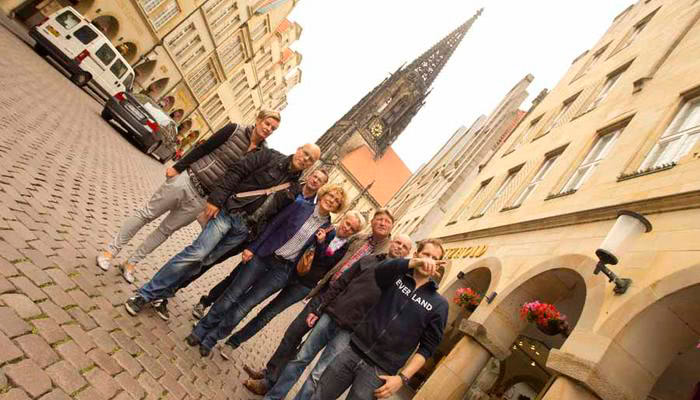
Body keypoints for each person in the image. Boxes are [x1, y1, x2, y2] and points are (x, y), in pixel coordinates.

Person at [123, 143, 321, 319]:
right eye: (305, 153)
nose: (305, 159)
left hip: (244, 231)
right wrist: (216, 200)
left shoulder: (294, 189)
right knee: (196, 254)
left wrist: (252, 242)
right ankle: (145, 294)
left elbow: (273, 218)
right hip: (228, 214)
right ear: (297, 150)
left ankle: (162, 294)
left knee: (202, 264)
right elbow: (236, 172)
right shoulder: (269, 156)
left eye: (310, 159)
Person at [96, 110, 281, 284]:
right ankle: (110, 252)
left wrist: (218, 203)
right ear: (258, 120)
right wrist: (178, 167)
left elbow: (240, 182)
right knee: (147, 214)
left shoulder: (262, 154)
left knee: (165, 231)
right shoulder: (234, 130)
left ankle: (131, 263)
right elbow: (204, 148)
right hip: (187, 180)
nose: (268, 129)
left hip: (204, 199)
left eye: (273, 129)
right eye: (267, 124)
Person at [243, 209, 395, 396]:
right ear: (372, 222)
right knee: (294, 333)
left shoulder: (390, 253)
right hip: (326, 293)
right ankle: (270, 375)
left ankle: (273, 384)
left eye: (386, 221)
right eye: (378, 219)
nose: (381, 223)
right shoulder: (359, 239)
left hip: (346, 307)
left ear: (392, 226)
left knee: (308, 354)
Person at [185, 184, 347, 357]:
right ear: (323, 194)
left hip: (283, 271)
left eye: (337, 201)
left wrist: (321, 243)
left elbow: (320, 259)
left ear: (338, 207)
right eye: (331, 195)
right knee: (232, 294)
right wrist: (253, 248)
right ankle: (201, 330)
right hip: (263, 256)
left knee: (245, 306)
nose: (332, 200)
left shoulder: (328, 230)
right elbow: (273, 225)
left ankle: (211, 339)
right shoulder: (301, 206)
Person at [263, 235, 413, 400]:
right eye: (398, 242)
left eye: (404, 247)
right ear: (391, 243)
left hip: (350, 333)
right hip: (331, 316)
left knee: (318, 374)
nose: (399, 247)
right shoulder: (369, 260)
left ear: (408, 253)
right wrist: (319, 309)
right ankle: (273, 397)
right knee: (300, 358)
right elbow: (341, 282)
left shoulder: (400, 282)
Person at [309, 239, 448, 400]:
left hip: (380, 372)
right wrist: (412, 263)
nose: (429, 260)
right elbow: (380, 271)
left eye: (434, 258)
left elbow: (427, 348)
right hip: (352, 351)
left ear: (438, 265)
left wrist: (402, 378)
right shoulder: (396, 276)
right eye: (426, 254)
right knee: (319, 396)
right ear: (416, 255)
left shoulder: (439, 304)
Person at [219, 211, 365, 359]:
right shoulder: (326, 228)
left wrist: (321, 244)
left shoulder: (345, 248)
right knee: (251, 300)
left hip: (303, 286)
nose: (347, 229)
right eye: (347, 223)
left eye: (352, 229)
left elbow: (327, 263)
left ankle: (233, 342)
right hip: (287, 271)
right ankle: (220, 329)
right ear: (343, 219)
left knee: (268, 314)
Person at [189, 169, 330, 319]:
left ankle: (213, 310)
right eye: (314, 176)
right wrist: (254, 246)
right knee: (219, 266)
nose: (315, 180)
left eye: (319, 180)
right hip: (255, 236)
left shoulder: (312, 206)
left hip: (272, 249)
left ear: (322, 185)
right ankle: (205, 301)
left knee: (237, 279)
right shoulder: (292, 187)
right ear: (309, 175)